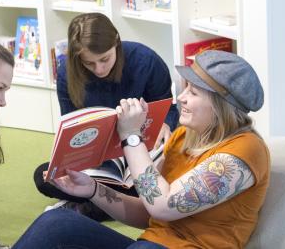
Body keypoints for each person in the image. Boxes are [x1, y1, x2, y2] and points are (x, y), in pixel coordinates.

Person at [14, 50, 270, 249]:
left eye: (193, 93)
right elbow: (149, 211)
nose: (181, 98)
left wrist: (131, 137)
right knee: (54, 224)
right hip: (150, 243)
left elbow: (163, 205)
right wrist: (94, 190)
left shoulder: (245, 150)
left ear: (220, 105)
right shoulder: (184, 137)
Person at [33, 12, 179, 221]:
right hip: (101, 163)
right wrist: (70, 158)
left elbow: (168, 106)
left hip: (144, 155)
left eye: (104, 59)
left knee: (158, 184)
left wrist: (166, 123)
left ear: (116, 43)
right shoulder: (67, 72)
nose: (99, 69)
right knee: (45, 176)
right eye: (89, 63)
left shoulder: (146, 60)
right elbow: (71, 127)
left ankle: (90, 205)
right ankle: (105, 201)